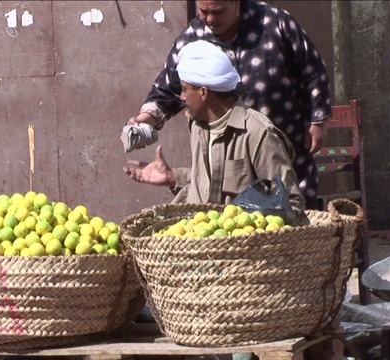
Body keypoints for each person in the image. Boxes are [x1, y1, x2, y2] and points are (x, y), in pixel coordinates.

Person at [124, 39, 303, 360]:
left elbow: (290, 203)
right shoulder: (199, 124)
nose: (180, 98)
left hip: (243, 271)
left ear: (203, 92)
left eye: (184, 90)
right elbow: (209, 183)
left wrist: (243, 225)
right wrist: (173, 178)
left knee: (240, 352)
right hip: (198, 262)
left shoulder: (257, 133)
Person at [126, 0, 331, 209]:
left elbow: (312, 71)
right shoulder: (200, 125)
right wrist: (146, 121)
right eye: (203, 12)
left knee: (286, 207)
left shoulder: (274, 23)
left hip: (281, 139)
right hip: (227, 151)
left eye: (218, 12)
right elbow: (168, 88)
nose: (210, 19)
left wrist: (317, 119)